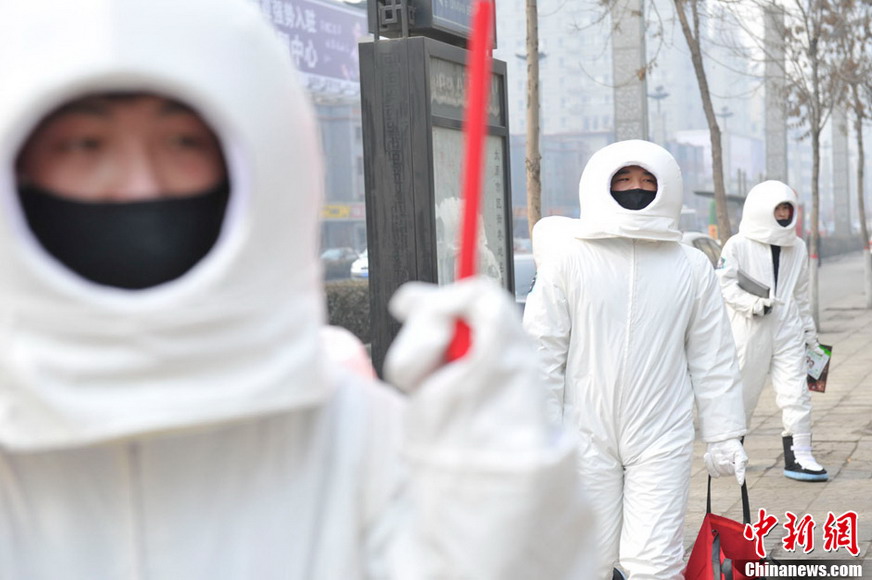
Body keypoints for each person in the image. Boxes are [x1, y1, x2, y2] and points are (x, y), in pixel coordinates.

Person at [0, 1, 593, 578]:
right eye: (84, 145)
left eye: (181, 143)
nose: (137, 184)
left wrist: (504, 477)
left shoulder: (357, 438)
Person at [523, 140, 748, 579]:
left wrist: (724, 435)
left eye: (648, 180)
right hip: (583, 431)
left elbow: (712, 355)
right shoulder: (568, 259)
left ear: (668, 187)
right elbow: (542, 350)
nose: (636, 189)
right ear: (600, 185)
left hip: (661, 433)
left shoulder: (690, 266)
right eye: (624, 179)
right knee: (585, 558)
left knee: (655, 561)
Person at [716, 180, 828, 482]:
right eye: (777, 209)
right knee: (742, 391)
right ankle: (730, 450)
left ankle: (800, 454)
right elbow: (724, 283)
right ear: (761, 210)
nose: (782, 215)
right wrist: (752, 304)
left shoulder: (798, 246)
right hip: (749, 328)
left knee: (797, 393)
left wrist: (810, 336)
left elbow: (801, 295)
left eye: (787, 209)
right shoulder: (737, 244)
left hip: (788, 326)